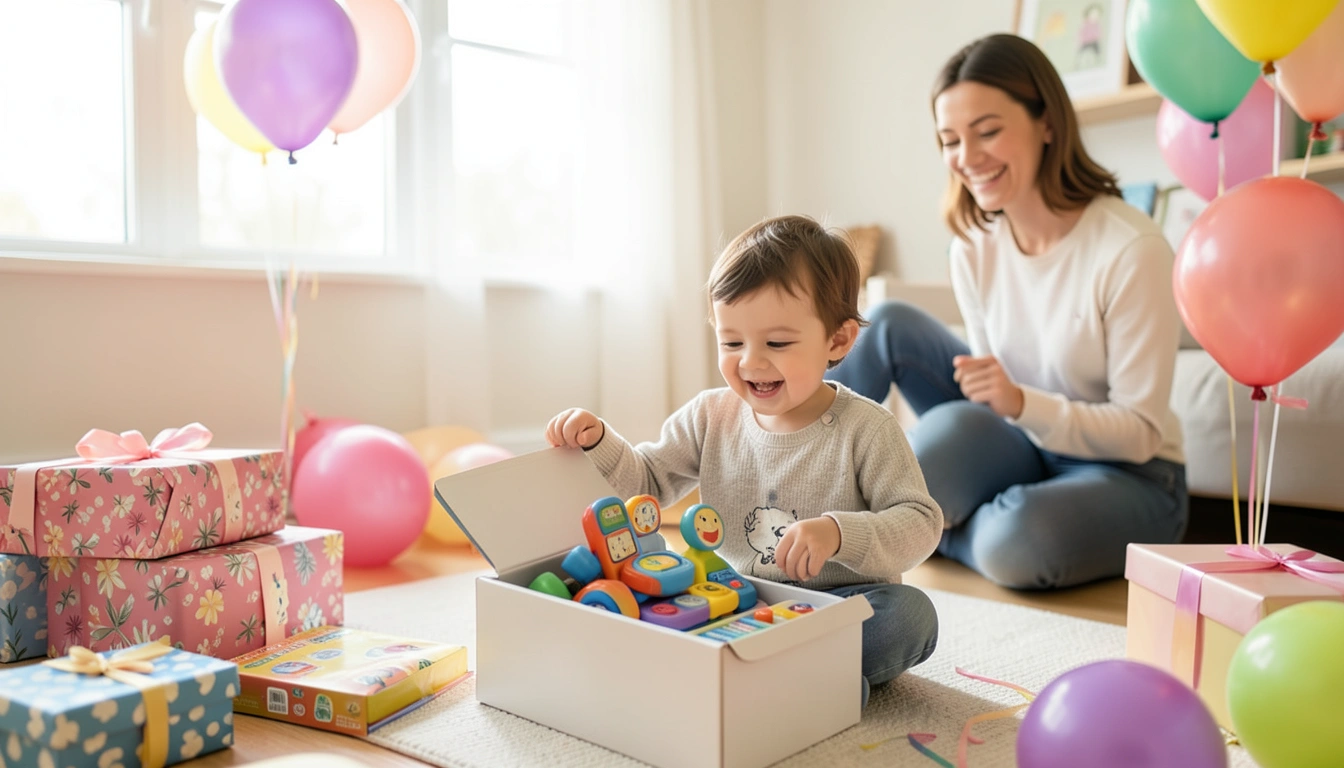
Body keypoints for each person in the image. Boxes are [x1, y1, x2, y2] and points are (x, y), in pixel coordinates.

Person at [831, 33, 1188, 590]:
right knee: (891, 327)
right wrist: (1010, 408)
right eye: (950, 140)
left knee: (1015, 539)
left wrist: (1021, 401)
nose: (967, 159)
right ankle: (795, 476)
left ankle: (921, 528)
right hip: (1021, 437)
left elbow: (1140, 434)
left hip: (1131, 473)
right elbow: (991, 405)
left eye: (988, 131)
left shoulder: (1130, 249)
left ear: (1047, 123)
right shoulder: (973, 248)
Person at [547, 214, 943, 707]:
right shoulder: (711, 415)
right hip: (730, 597)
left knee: (911, 615)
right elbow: (645, 486)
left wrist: (839, 533)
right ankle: (799, 681)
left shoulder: (868, 428)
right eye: (732, 342)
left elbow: (921, 522)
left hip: (834, 607)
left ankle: (780, 678)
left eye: (777, 343)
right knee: (657, 594)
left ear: (837, 341)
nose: (750, 362)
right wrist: (599, 440)